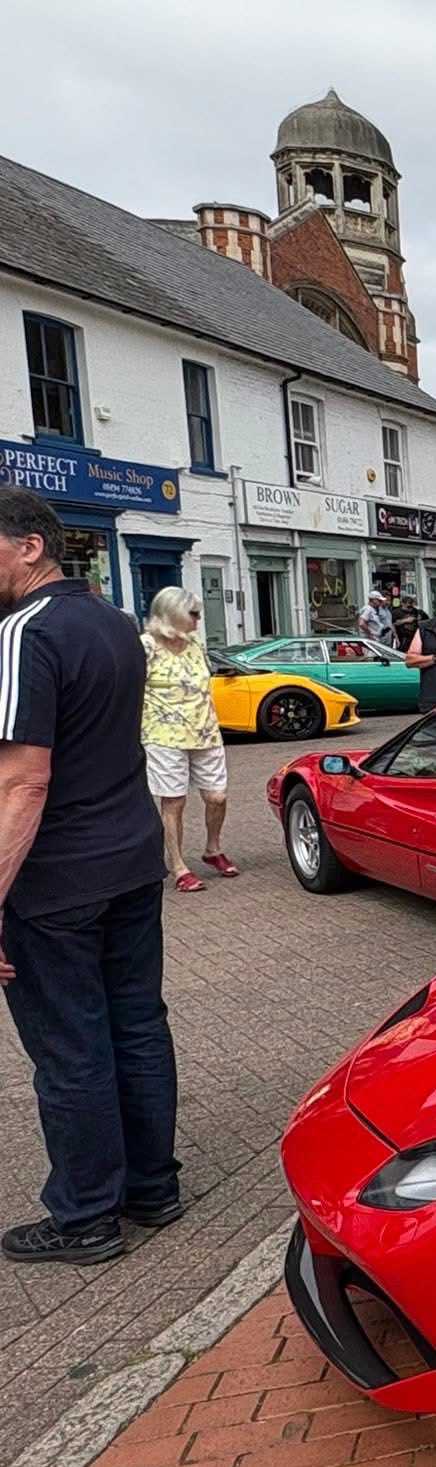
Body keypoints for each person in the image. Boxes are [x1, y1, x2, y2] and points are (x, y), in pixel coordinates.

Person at [0, 488, 178, 1264]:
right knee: (136, 1025)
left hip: (56, 878)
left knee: (71, 1046)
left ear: (29, 546)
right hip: (130, 858)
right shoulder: (113, 622)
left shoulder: (24, 631)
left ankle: (84, 1217)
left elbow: (23, 780)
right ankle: (152, 1187)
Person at [140, 588, 235, 894]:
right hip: (163, 734)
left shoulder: (195, 643)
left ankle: (212, 848)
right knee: (174, 801)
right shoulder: (146, 646)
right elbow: (131, 687)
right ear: (174, 614)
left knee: (217, 796)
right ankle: (179, 865)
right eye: (193, 614)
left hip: (205, 731)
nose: (198, 619)